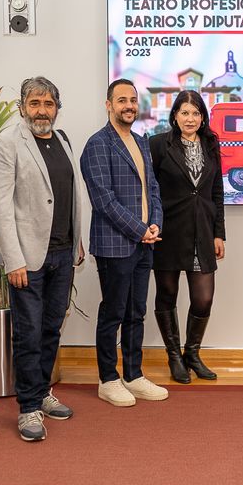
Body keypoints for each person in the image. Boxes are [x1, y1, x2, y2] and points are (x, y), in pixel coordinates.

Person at [0, 77, 84, 441]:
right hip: (25, 259)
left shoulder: (62, 140)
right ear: (22, 107)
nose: (42, 110)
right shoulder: (7, 144)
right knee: (28, 333)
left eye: (48, 103)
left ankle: (42, 393)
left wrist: (77, 241)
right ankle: (28, 408)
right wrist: (12, 259)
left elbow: (70, 195)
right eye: (35, 103)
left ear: (58, 107)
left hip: (61, 251)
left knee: (50, 329)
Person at [80, 78, 168, 406]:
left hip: (145, 242)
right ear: (108, 105)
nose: (128, 105)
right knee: (114, 312)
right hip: (116, 244)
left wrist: (155, 222)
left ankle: (133, 374)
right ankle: (108, 379)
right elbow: (103, 199)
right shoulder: (98, 144)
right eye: (121, 100)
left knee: (137, 312)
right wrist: (139, 229)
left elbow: (153, 189)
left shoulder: (141, 141)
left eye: (132, 100)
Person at [149, 90, 227, 384]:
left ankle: (192, 354)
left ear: (203, 117)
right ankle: (173, 356)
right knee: (167, 295)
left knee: (203, 299)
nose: (190, 118)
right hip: (168, 232)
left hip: (202, 232)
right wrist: (151, 225)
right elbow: (150, 191)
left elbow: (216, 191)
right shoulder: (158, 145)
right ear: (175, 116)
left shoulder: (211, 144)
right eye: (184, 113)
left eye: (196, 113)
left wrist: (219, 233)